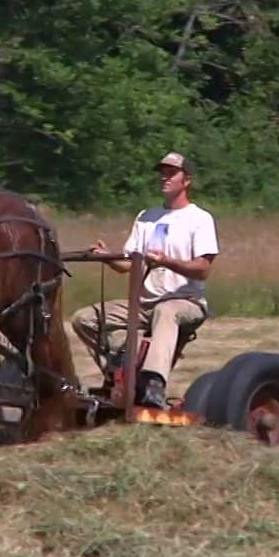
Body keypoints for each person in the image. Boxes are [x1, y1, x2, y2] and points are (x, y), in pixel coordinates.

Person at [71, 150, 220, 409]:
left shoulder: (200, 219)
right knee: (84, 318)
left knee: (165, 311)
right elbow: (128, 265)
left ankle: (153, 383)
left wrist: (166, 261)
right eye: (162, 173)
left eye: (171, 173)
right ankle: (119, 367)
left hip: (184, 301)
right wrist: (106, 256)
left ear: (187, 180)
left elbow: (203, 269)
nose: (165, 178)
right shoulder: (146, 217)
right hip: (143, 305)